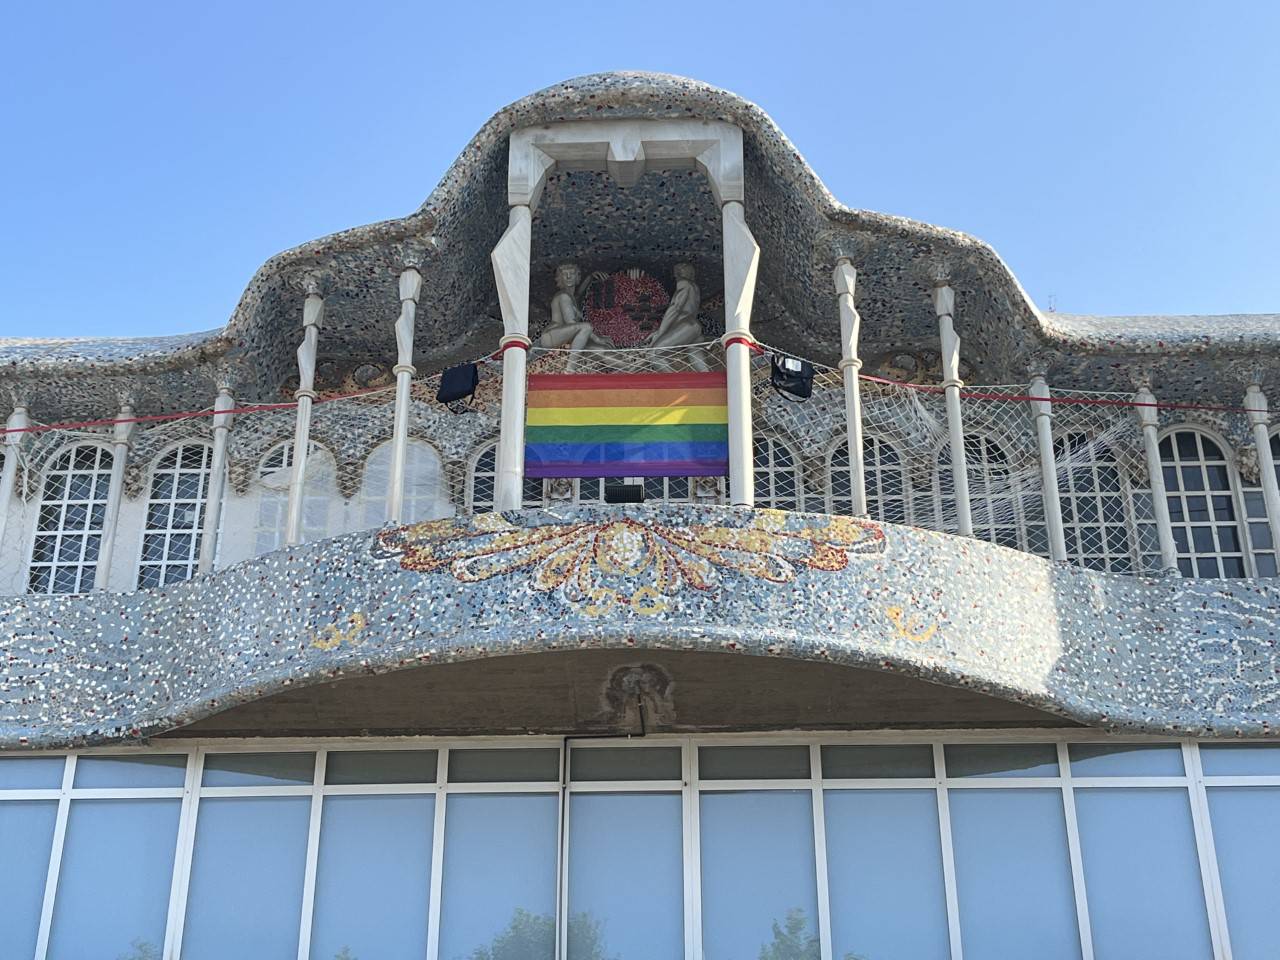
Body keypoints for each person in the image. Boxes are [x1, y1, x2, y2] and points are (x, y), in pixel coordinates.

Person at [540, 263, 614, 371]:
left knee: (602, 349)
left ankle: (629, 369)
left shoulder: (572, 298)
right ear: (560, 279)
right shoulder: (563, 296)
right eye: (565, 274)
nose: (569, 277)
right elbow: (571, 323)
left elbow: (579, 293)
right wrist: (597, 339)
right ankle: (570, 369)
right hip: (552, 336)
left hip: (566, 336)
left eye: (572, 273)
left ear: (577, 276)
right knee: (586, 327)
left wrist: (590, 277)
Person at [644, 263, 708, 370]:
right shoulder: (695, 287)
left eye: (676, 273)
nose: (675, 276)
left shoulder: (684, 283)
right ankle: (707, 380)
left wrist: (660, 332)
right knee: (695, 357)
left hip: (685, 324)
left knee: (653, 354)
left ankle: (674, 383)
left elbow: (675, 308)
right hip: (694, 327)